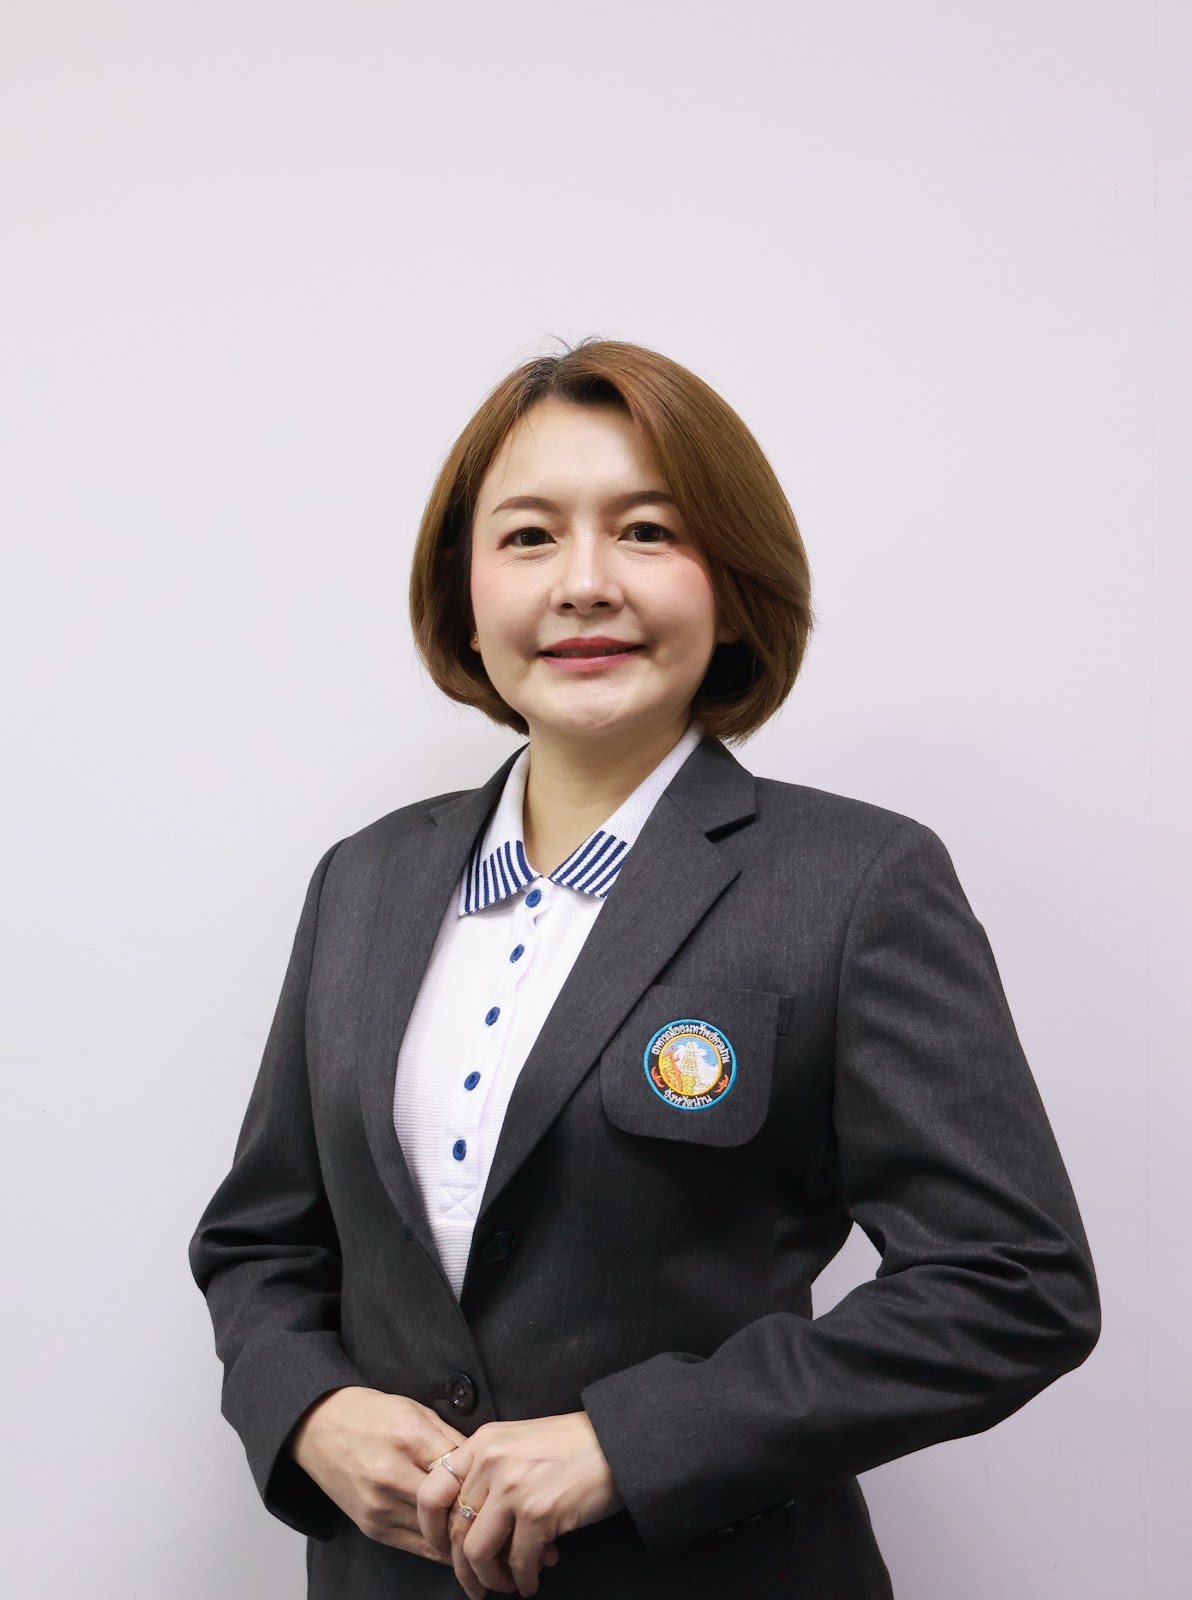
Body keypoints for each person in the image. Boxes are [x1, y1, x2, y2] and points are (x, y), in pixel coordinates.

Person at [189, 339, 1100, 1600]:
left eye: (647, 531)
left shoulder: (853, 882)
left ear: (730, 582)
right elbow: (260, 1241)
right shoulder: (365, 879)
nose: (584, 583)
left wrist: (634, 1443)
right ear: (462, 592)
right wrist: (308, 1408)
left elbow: (1011, 1284)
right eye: (527, 537)